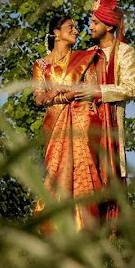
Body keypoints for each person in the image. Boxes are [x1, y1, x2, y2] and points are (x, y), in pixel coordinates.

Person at [68, 0, 135, 222]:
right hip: (87, 125)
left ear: (108, 26)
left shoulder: (126, 52)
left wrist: (98, 92)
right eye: (91, 22)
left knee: (111, 175)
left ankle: (112, 238)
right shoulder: (87, 55)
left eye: (95, 22)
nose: (89, 27)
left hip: (112, 125)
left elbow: (129, 88)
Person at [32, 15, 102, 230]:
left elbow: (92, 90)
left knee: (82, 170)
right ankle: (53, 227)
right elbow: (38, 99)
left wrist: (83, 98)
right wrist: (58, 94)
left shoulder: (84, 59)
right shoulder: (41, 65)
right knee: (56, 171)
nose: (76, 31)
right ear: (56, 32)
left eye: (76, 28)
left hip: (81, 122)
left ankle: (86, 229)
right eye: (70, 27)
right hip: (56, 124)